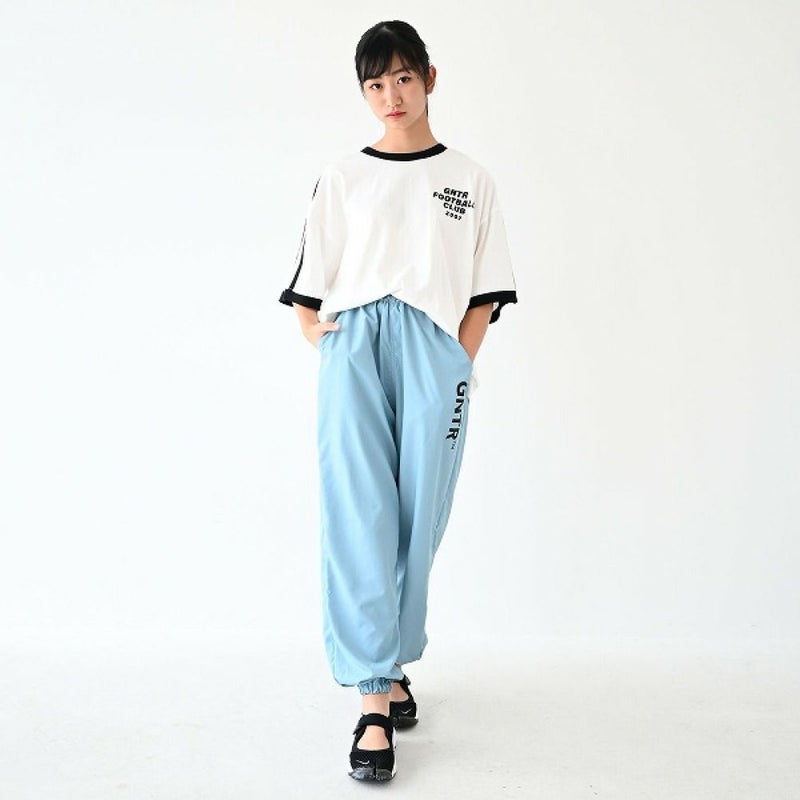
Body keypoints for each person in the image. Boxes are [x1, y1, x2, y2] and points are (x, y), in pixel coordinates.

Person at [278, 19, 518, 781]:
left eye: (403, 78)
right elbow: (308, 289)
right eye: (376, 84)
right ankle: (373, 700)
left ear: (430, 79)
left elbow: (484, 292)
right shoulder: (343, 175)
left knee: (420, 518)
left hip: (434, 354)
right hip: (355, 349)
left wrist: (455, 363)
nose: (391, 96)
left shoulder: (470, 179)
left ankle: (391, 658)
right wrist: (326, 341)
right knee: (359, 512)